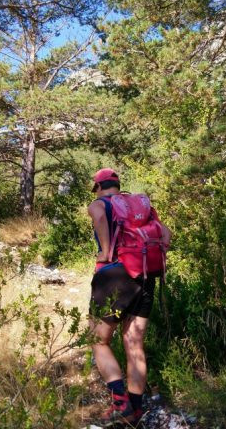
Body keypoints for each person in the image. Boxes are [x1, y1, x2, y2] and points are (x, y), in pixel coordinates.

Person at [87, 168, 171, 426]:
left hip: (114, 274)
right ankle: (135, 411)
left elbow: (100, 218)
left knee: (98, 340)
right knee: (134, 344)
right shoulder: (139, 207)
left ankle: (120, 402)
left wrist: (106, 252)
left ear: (99, 187)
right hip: (146, 275)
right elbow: (165, 235)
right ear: (118, 185)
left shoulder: (99, 203)